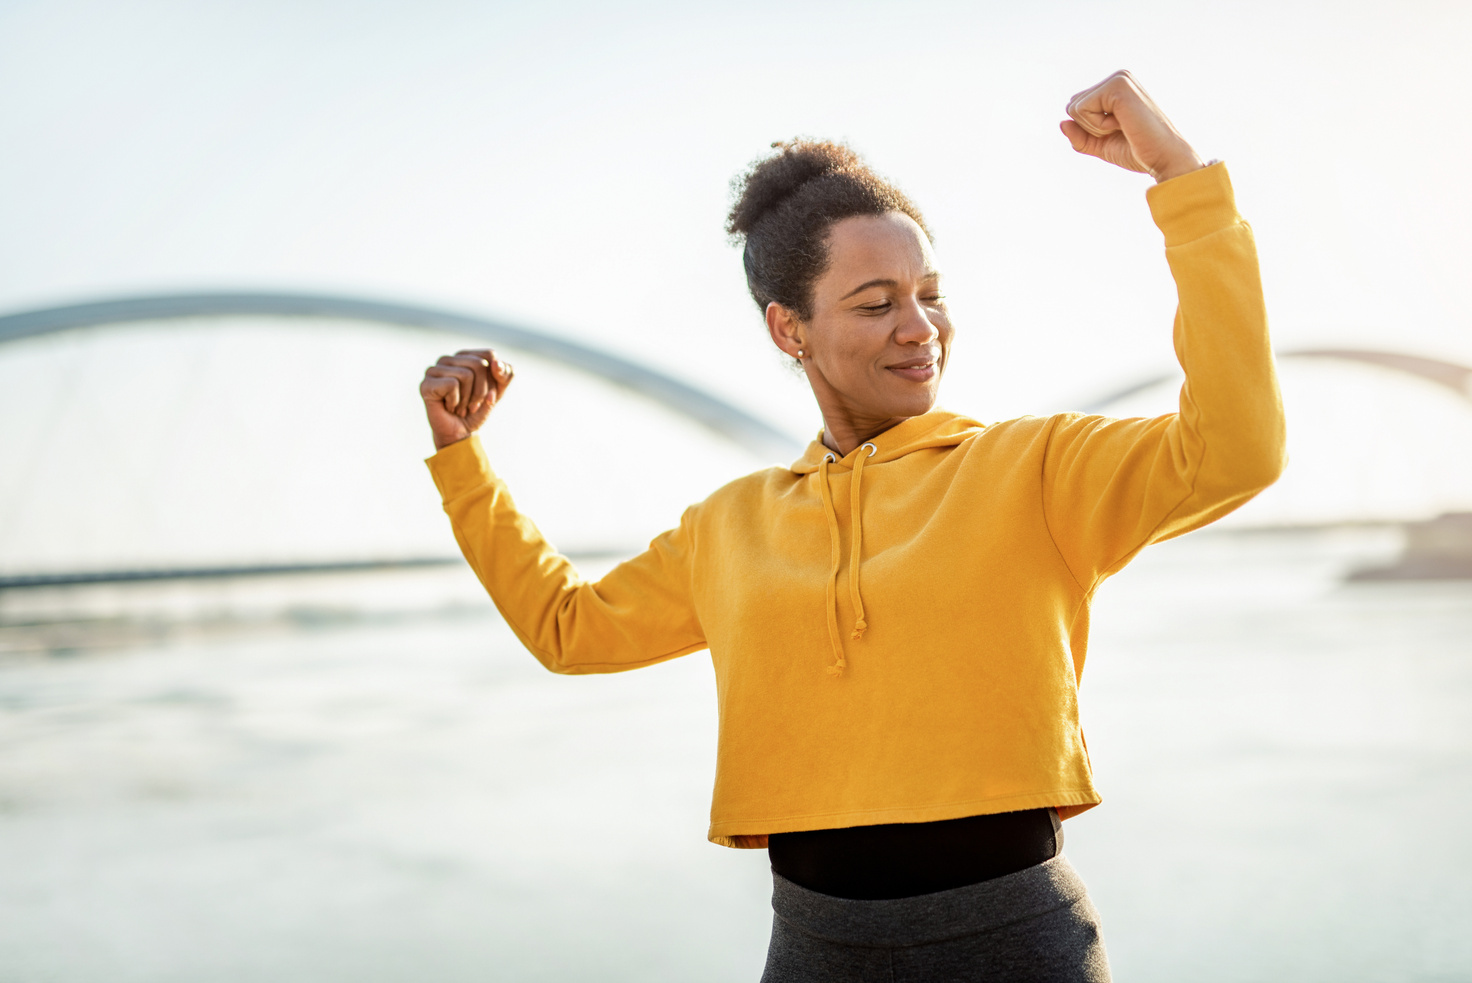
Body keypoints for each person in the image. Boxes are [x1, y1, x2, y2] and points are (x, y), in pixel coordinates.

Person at [418, 70, 1285, 983]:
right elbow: (570, 630)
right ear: (788, 330)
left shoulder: (1033, 470)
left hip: (1016, 945)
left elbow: (1236, 448)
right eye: (876, 303)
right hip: (815, 951)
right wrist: (461, 460)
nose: (921, 329)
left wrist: (1179, 178)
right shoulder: (730, 525)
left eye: (930, 293)